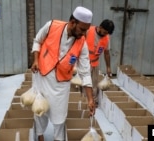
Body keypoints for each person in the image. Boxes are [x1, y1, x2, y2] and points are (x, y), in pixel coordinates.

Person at [30, 6, 96, 141]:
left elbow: (85, 72)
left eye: (86, 30)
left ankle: (58, 139)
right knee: (39, 110)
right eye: (82, 29)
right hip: (42, 76)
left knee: (59, 117)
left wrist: (90, 98)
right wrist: (35, 60)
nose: (84, 34)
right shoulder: (51, 26)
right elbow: (37, 41)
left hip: (61, 84)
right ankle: (40, 136)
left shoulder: (82, 43)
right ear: (73, 23)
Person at [86, 19, 115, 106]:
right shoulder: (88, 31)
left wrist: (108, 67)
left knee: (94, 83)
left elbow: (106, 53)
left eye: (107, 33)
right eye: (105, 32)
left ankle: (93, 102)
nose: (106, 34)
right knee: (83, 83)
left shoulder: (106, 38)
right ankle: (83, 100)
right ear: (100, 27)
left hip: (94, 63)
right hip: (84, 62)